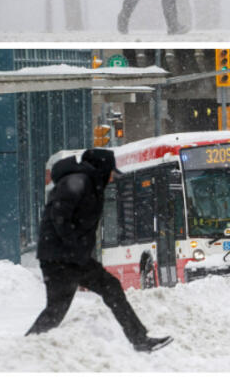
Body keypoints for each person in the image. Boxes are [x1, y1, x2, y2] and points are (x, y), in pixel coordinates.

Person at [26, 148, 172, 353]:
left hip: (65, 257)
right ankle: (139, 339)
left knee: (60, 309)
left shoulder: (87, 183)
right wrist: (74, 247)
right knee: (100, 292)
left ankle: (27, 349)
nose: (112, 177)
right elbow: (60, 216)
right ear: (102, 168)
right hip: (63, 259)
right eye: (111, 171)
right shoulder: (78, 182)